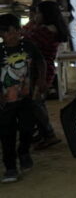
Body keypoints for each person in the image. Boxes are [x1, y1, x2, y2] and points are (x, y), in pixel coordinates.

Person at [0, 15, 46, 183]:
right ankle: (10, 167)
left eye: (15, 31)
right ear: (1, 34)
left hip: (27, 97)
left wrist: (42, 80)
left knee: (27, 128)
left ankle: (24, 152)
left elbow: (41, 62)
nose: (12, 35)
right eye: (7, 32)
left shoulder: (28, 46)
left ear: (20, 30)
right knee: (7, 134)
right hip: (6, 102)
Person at [22, 0, 68, 149]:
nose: (35, 16)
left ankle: (49, 134)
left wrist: (31, 22)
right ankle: (43, 132)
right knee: (36, 103)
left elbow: (25, 35)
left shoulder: (47, 31)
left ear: (45, 15)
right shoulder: (46, 29)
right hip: (40, 70)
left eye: (38, 13)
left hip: (41, 71)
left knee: (36, 104)